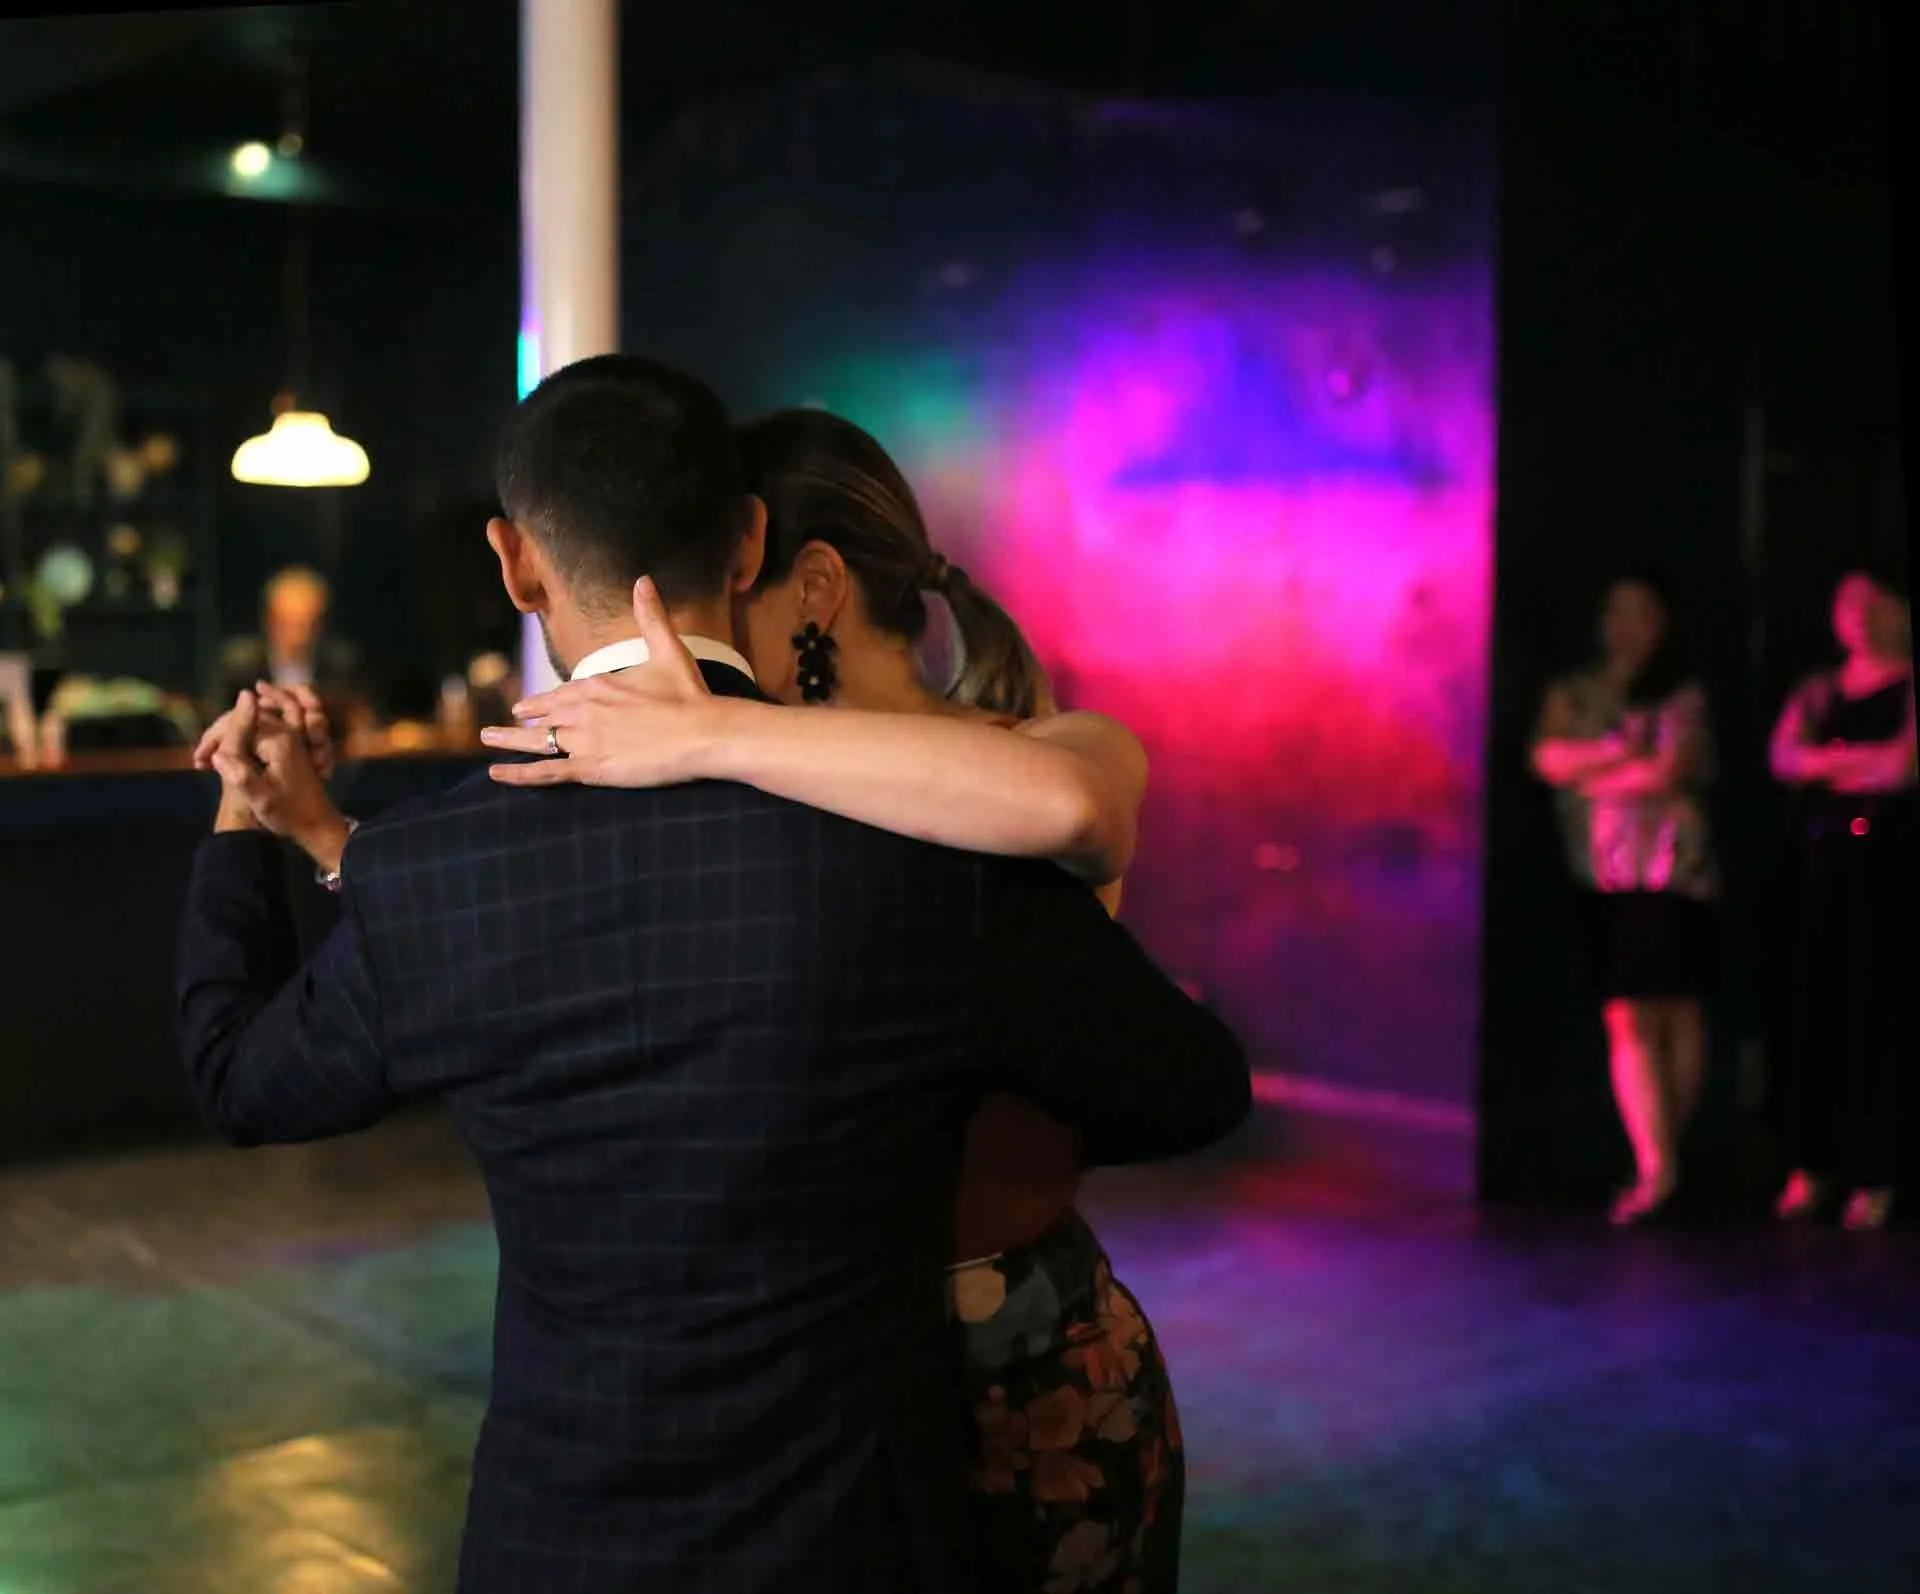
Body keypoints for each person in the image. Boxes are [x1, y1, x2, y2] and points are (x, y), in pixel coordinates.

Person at [177, 355, 1250, 1594]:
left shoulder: (435, 872)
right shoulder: (924, 843)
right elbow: (1188, 1086)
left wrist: (246, 822)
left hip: (560, 1540)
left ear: (516, 563)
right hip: (856, 1541)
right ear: (746, 546)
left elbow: (237, 1077)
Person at [481, 408, 1179, 1591]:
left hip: (1014, 1374)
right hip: (818, 1396)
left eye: (722, 587)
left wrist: (721, 734)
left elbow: (1069, 809)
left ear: (807, 586)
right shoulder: (763, 809)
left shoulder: (1046, 751)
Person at [1530, 570, 1719, 1225]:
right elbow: (1548, 760)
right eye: (1617, 611)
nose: (1626, 625)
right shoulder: (1574, 689)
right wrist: (1616, 752)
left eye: (1641, 612)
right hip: (1600, 874)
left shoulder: (1682, 691)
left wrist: (1597, 773)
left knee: (1671, 1013)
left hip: (1671, 869)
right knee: (1631, 1016)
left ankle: (1662, 1165)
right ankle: (1661, 1163)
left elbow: (1672, 768)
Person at [1767, 564, 1916, 1230]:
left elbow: (1902, 767)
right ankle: (1811, 1165)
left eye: (1874, 601)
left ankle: (1876, 1173)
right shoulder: (1818, 689)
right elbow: (1785, 759)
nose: (1858, 614)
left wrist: (1832, 763)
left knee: (1876, 1010)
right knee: (1814, 1011)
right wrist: (1860, 761)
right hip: (1819, 862)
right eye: (1847, 600)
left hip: (1888, 866)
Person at [216, 564, 367, 725]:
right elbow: (219, 720)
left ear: (321, 623)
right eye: (290, 624)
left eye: (308, 624)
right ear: (270, 620)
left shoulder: (341, 664)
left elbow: (362, 720)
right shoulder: (240, 667)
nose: (300, 636)